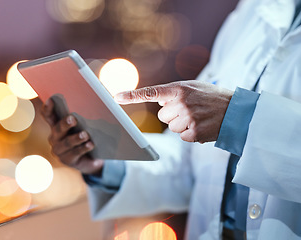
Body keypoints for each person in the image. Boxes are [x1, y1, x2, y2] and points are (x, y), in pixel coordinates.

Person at [41, 0, 301, 239]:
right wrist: (104, 161)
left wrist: (239, 120)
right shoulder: (253, 12)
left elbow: (231, 121)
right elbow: (191, 160)